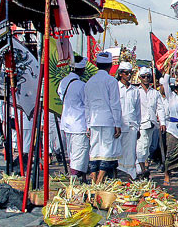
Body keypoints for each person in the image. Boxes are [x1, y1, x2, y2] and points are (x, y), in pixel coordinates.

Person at [84, 52, 123, 184]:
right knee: (107, 150)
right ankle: (99, 180)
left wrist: (88, 125)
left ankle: (94, 178)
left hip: (94, 120)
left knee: (94, 150)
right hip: (108, 119)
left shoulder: (89, 82)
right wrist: (118, 123)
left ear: (96, 64)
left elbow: (87, 105)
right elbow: (115, 104)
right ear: (111, 66)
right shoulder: (111, 81)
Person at [59, 56, 90, 181]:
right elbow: (87, 105)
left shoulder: (63, 82)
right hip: (79, 124)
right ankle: (74, 182)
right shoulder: (81, 85)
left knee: (73, 154)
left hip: (67, 123)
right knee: (79, 155)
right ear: (81, 69)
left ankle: (80, 179)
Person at [116, 62, 141, 178]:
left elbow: (138, 111)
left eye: (130, 73)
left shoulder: (135, 90)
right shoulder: (115, 88)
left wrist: (138, 126)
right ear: (121, 74)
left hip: (132, 125)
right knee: (118, 151)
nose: (128, 75)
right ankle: (118, 174)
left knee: (131, 152)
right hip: (119, 125)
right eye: (126, 73)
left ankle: (131, 175)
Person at [137, 68, 162, 178]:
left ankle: (143, 166)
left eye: (148, 76)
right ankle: (141, 169)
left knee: (148, 147)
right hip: (140, 123)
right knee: (141, 146)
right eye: (143, 76)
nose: (146, 78)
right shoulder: (136, 92)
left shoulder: (155, 92)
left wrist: (162, 122)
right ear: (140, 78)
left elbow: (160, 108)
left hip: (152, 123)